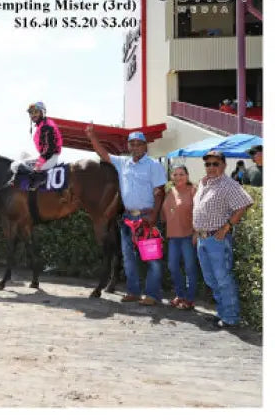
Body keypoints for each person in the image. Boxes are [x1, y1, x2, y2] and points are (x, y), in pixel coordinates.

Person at [85, 125, 166, 305]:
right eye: (132, 144)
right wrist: (92, 137)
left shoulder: (154, 165)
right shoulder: (123, 163)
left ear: (145, 146)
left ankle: (152, 295)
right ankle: (133, 292)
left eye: (139, 144)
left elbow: (160, 191)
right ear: (128, 146)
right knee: (128, 258)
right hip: (128, 219)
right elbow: (104, 155)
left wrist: (154, 215)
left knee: (152, 259)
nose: (135, 147)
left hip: (146, 219)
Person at [192, 150, 253, 329]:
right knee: (211, 279)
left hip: (216, 239)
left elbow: (245, 203)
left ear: (224, 165)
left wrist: (227, 226)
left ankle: (231, 318)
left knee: (223, 278)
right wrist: (196, 232)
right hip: (203, 238)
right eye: (208, 164)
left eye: (215, 164)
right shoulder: (204, 183)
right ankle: (222, 312)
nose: (211, 167)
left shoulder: (228, 184)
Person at [162, 165, 198, 309]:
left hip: (188, 235)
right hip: (173, 236)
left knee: (190, 268)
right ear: (171, 177)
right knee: (172, 267)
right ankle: (180, 295)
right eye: (175, 174)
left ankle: (189, 299)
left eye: (181, 174)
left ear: (187, 175)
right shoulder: (169, 191)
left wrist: (196, 232)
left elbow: (199, 212)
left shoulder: (193, 191)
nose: (178, 177)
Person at [10, 102, 64, 185]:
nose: (33, 115)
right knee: (23, 154)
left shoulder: (47, 126)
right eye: (31, 113)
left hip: (49, 158)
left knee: (15, 166)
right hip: (47, 156)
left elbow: (49, 148)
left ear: (42, 112)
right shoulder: (42, 125)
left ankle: (40, 178)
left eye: (36, 112)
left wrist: (39, 164)